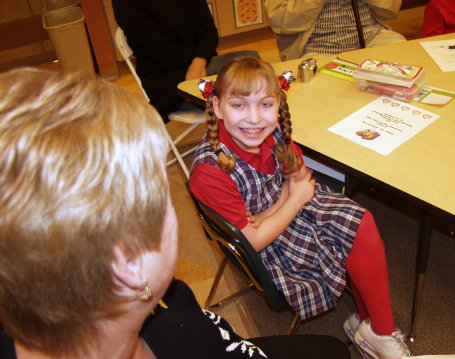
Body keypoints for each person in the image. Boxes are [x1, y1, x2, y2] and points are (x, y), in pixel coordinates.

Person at [0, 67, 350, 359]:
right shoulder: (176, 326)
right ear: (130, 262)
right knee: (333, 352)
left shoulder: (162, 306)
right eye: (158, 197)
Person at [190, 57, 412, 359]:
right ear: (217, 107)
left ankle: (374, 326)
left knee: (360, 222)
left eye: (265, 105)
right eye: (239, 105)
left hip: (279, 210)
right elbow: (254, 238)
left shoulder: (272, 133)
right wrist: (290, 199)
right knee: (345, 242)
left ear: (278, 102)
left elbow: (299, 175)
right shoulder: (211, 171)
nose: (254, 119)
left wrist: (284, 199)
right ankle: (370, 326)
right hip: (267, 240)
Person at [112, 0, 259, 122]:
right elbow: (163, 54)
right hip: (170, 84)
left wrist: (199, 60)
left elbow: (209, 31)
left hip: (202, 68)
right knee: (252, 73)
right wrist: (201, 57)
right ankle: (248, 141)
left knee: (253, 65)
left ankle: (248, 140)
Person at [264, 0, 406, 61]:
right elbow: (281, 23)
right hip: (314, 47)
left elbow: (392, 10)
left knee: (405, 61)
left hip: (372, 37)